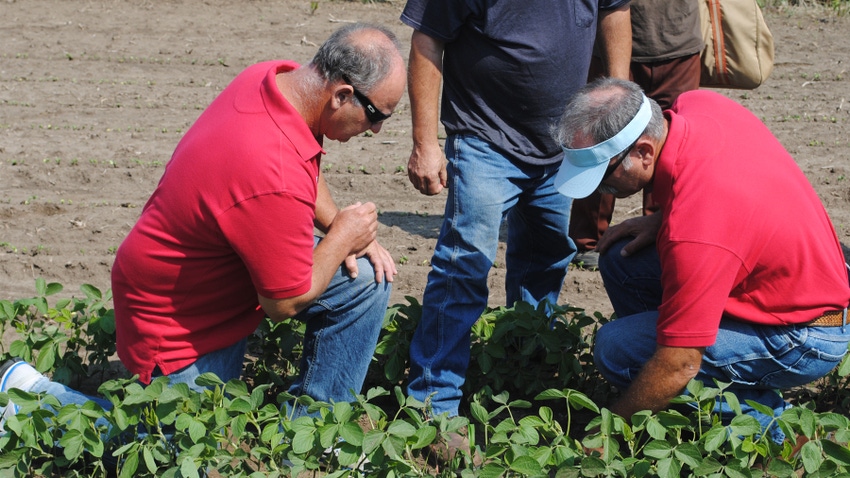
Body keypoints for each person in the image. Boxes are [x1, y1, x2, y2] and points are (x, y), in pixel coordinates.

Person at [0, 23, 405, 431]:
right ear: (341, 95)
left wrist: (340, 226)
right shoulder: (272, 169)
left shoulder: (272, 81)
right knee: (172, 450)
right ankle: (34, 403)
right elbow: (283, 303)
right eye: (376, 116)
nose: (376, 131)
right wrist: (341, 238)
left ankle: (314, 435)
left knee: (366, 281)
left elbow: (302, 166)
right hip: (174, 320)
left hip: (212, 287)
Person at [552, 77, 850, 444]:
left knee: (618, 350)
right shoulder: (700, 106)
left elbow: (680, 363)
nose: (600, 190)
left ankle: (787, 432)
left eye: (604, 178)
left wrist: (607, 433)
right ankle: (675, 394)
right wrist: (660, 219)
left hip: (806, 334)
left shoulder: (696, 229)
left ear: (645, 151)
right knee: (622, 259)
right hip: (793, 287)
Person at [400, 0, 632, 424]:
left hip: (564, 143)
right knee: (463, 265)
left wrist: (618, 108)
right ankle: (433, 402)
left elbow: (615, 11)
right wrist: (425, 142)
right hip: (483, 137)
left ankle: (522, 375)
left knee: (547, 257)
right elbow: (427, 38)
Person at [569, 0, 703, 269]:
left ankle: (662, 232)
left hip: (678, 39)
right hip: (611, 38)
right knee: (603, 136)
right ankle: (587, 239)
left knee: (670, 145)